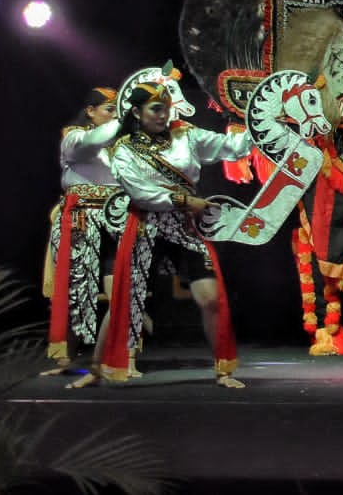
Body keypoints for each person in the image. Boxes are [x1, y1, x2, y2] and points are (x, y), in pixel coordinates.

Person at [79, 77, 254, 389]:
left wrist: (260, 123)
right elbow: (140, 193)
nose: (163, 115)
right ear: (136, 113)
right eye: (156, 109)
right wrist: (185, 199)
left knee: (210, 298)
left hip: (185, 226)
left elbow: (232, 147)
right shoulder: (124, 150)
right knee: (125, 297)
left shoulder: (186, 136)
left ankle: (223, 371)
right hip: (147, 225)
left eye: (166, 109)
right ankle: (96, 368)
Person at [43, 87, 124, 374]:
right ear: (90, 111)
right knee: (77, 289)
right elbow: (94, 141)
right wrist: (125, 115)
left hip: (115, 221)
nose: (115, 115)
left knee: (120, 291)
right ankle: (66, 358)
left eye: (118, 109)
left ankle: (114, 357)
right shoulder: (75, 137)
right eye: (109, 109)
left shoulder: (121, 145)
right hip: (82, 219)